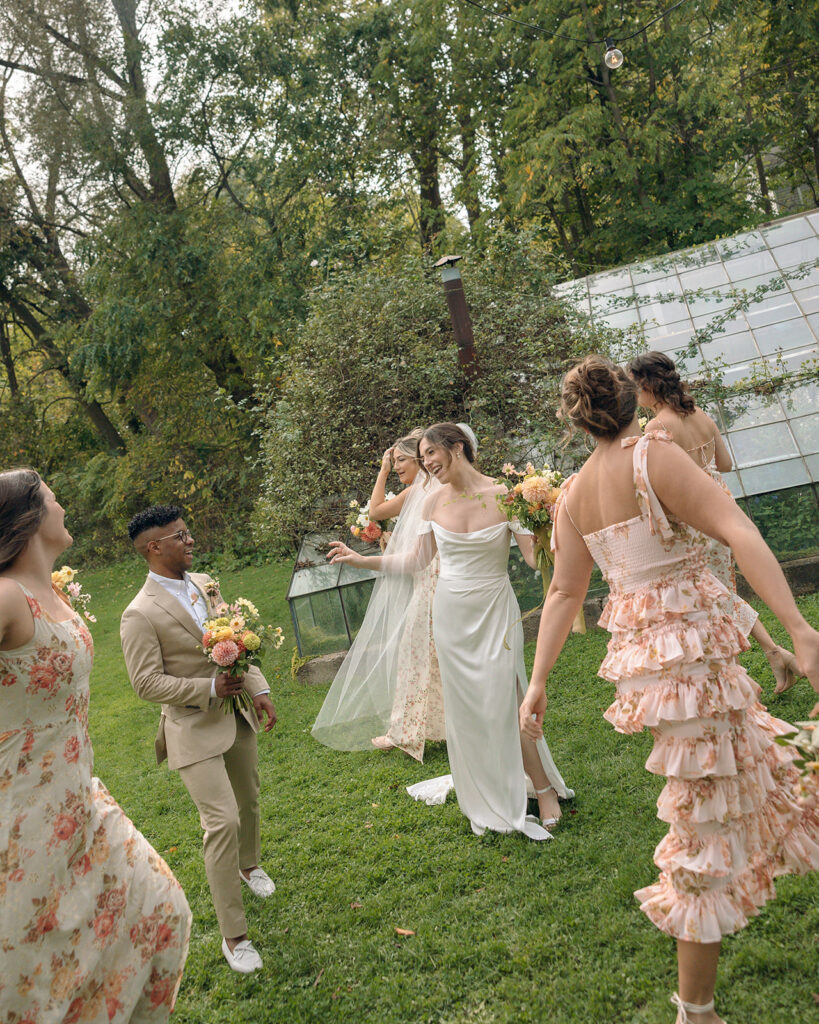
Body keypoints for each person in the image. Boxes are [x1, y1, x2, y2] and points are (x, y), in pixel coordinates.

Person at [519, 356, 819, 1023]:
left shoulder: (571, 493)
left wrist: (538, 682)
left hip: (663, 670)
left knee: (760, 777)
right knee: (703, 824)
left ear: (575, 421)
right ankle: (694, 1011)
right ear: (632, 401)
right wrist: (798, 627)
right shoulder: (650, 457)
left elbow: (565, 590)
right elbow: (737, 528)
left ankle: (697, 1005)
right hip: (687, 671)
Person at [0, 470, 191, 1022]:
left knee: (163, 911)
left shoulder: (49, 588)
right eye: (54, 499)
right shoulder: (8, 596)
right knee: (26, 980)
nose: (64, 507)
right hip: (22, 813)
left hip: (78, 798)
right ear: (32, 517)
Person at [328, 423, 573, 840]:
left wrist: (553, 525)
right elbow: (412, 562)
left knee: (510, 696)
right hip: (451, 617)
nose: (426, 465)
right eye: (421, 459)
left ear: (457, 448)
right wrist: (358, 560)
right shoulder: (432, 502)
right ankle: (487, 786)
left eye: (430, 455)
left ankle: (544, 789)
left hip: (496, 611)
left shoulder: (506, 496)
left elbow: (535, 560)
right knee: (469, 708)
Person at [120, 505, 277, 974]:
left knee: (249, 802)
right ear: (154, 548)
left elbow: (237, 639)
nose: (190, 541)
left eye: (187, 533)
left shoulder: (206, 581)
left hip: (237, 715)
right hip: (191, 729)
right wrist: (206, 689)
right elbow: (145, 683)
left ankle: (250, 866)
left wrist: (259, 688)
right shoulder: (139, 614)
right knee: (222, 822)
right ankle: (235, 937)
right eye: (180, 536)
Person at [628, 350, 803, 694]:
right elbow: (724, 464)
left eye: (636, 386)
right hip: (723, 506)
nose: (635, 395)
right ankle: (767, 659)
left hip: (696, 517)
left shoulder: (657, 426)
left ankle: (754, 666)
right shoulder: (698, 413)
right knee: (719, 592)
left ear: (648, 385)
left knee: (711, 596)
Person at [312, 429, 445, 761]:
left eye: (401, 460)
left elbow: (376, 514)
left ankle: (410, 729)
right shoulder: (415, 493)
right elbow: (375, 512)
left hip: (437, 580)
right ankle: (413, 728)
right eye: (393, 461)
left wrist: (361, 560)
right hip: (425, 577)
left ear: (422, 459)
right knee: (423, 652)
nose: (396, 466)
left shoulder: (427, 492)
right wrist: (383, 470)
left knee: (420, 651)